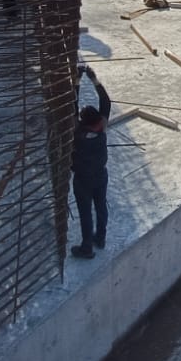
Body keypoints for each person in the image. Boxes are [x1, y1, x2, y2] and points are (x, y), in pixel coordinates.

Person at [70, 63, 111, 258]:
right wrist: (94, 80)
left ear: (83, 121)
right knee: (101, 206)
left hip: (82, 179)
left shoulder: (78, 132)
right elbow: (106, 102)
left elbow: (72, 104)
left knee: (86, 212)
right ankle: (100, 237)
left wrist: (76, 80)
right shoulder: (101, 127)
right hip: (100, 175)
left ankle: (87, 246)